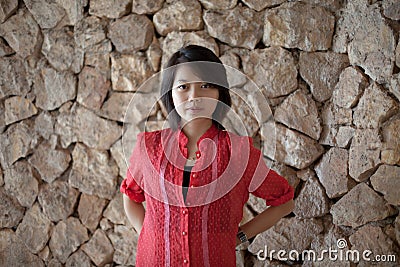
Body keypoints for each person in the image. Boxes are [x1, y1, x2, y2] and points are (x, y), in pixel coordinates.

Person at [121, 45, 294, 266]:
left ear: (219, 92)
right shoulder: (149, 147)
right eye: (183, 87)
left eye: (205, 85)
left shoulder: (237, 152)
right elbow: (131, 196)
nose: (195, 97)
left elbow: (284, 202)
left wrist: (239, 237)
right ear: (170, 93)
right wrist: (150, 237)